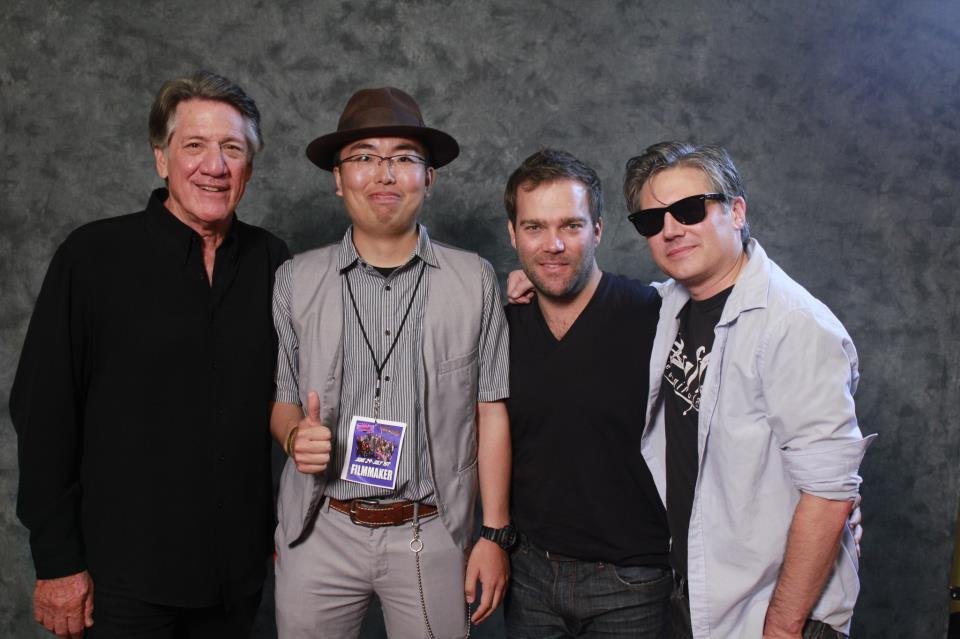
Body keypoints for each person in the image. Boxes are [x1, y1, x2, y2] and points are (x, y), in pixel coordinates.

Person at [10, 71, 290, 638]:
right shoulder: (93, 257)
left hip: (236, 579)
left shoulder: (273, 262)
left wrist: (523, 284)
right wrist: (58, 561)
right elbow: (43, 412)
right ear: (161, 159)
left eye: (231, 148)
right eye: (194, 145)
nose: (214, 165)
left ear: (250, 168)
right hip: (123, 581)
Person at [270, 87, 512, 638]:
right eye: (363, 158)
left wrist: (494, 535)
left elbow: (491, 411)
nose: (384, 174)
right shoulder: (294, 279)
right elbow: (282, 401)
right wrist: (291, 438)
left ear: (429, 177)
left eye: (403, 158)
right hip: (320, 528)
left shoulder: (474, 280)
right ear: (337, 178)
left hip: (430, 530)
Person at [622, 142, 875, 638]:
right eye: (652, 221)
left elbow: (829, 495)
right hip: (695, 594)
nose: (671, 229)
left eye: (689, 210)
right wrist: (534, 280)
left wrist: (781, 626)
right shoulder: (667, 305)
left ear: (736, 211)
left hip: (776, 611)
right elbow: (597, 296)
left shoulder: (795, 325)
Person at [501, 149, 672, 637]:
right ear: (513, 234)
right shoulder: (502, 323)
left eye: (571, 226)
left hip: (634, 580)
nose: (552, 244)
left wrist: (830, 492)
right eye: (534, 227)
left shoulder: (653, 315)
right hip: (530, 575)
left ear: (597, 230)